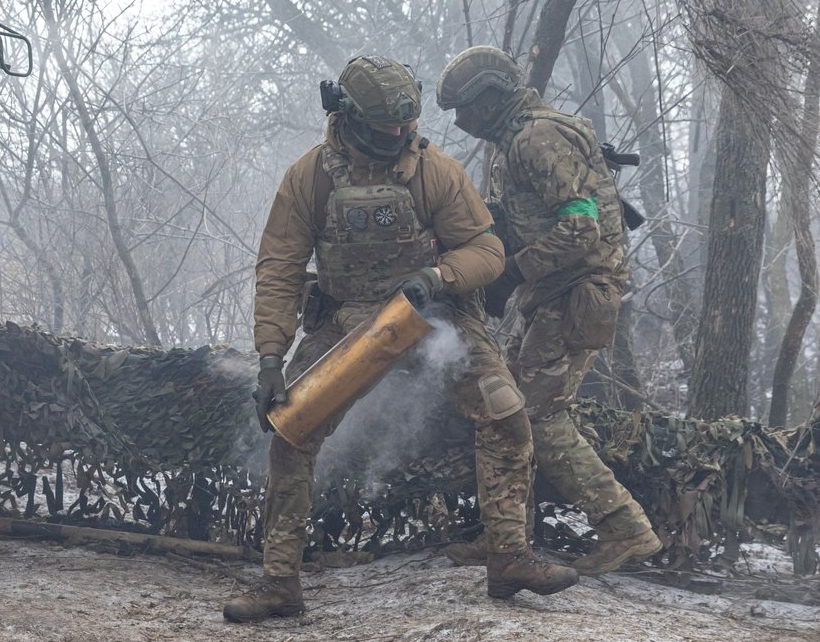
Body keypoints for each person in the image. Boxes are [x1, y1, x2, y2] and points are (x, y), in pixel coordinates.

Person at [223, 54, 578, 623]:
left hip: (435, 315)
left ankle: (509, 557)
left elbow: (486, 251)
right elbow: (279, 267)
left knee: (507, 413)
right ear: (350, 115)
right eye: (386, 128)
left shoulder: (434, 171)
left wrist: (437, 277)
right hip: (347, 321)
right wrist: (271, 357)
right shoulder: (310, 176)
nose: (398, 137)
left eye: (404, 127)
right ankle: (278, 584)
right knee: (292, 432)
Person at [435, 45, 662, 576]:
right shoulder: (514, 139)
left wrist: (511, 271)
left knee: (536, 414)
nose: (462, 122)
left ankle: (625, 527)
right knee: (506, 411)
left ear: (492, 96)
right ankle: (506, 538)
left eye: (465, 109)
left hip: (575, 293)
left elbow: (581, 224)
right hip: (553, 293)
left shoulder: (538, 136)